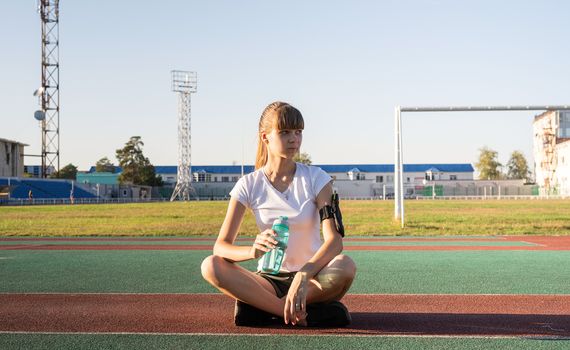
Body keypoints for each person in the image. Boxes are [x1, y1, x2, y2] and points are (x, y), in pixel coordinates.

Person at [201, 101, 356, 327]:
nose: (294, 139)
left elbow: (334, 241)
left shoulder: (317, 178)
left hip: (311, 277)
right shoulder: (248, 185)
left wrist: (304, 275)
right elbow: (221, 247)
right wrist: (252, 251)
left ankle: (263, 309)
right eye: (284, 132)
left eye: (298, 132)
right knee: (211, 265)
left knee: (345, 266)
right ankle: (290, 313)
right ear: (265, 137)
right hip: (268, 280)